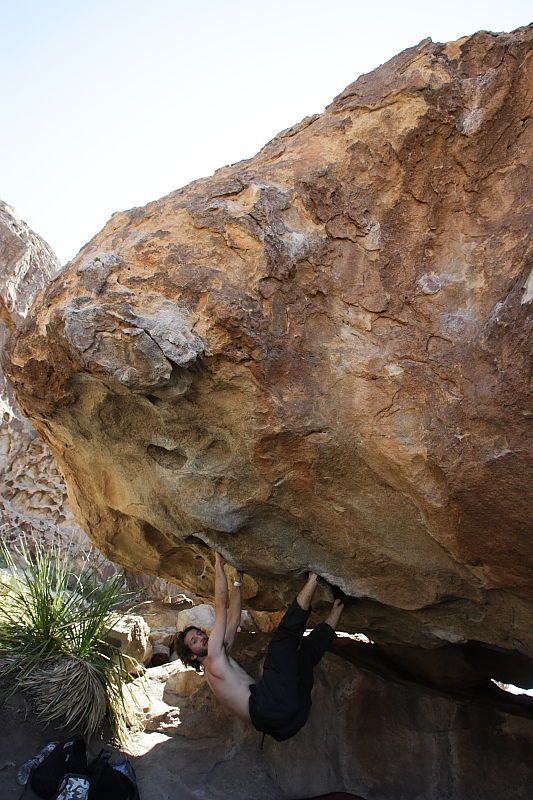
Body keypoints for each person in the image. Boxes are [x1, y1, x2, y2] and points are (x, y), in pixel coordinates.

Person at [176, 552, 345, 741]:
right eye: (194, 641)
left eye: (199, 633)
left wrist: (237, 583)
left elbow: (234, 619)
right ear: (191, 656)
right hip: (269, 707)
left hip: (286, 722)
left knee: (304, 657)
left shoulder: (219, 661)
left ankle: (340, 605)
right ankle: (314, 578)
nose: (201, 637)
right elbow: (221, 605)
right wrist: (218, 566)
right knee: (282, 641)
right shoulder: (213, 659)